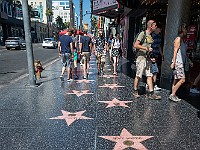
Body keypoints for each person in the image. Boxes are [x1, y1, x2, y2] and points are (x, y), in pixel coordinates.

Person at [133, 20, 161, 100]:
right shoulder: (143, 34)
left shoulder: (150, 35)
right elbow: (136, 45)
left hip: (148, 58)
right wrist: (146, 48)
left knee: (149, 75)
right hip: (141, 58)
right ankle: (135, 90)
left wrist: (151, 56)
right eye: (155, 25)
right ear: (150, 26)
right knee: (139, 75)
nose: (156, 27)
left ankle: (151, 93)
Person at [169, 23, 193, 102]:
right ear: (183, 30)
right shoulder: (178, 39)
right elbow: (175, 51)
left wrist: (189, 61)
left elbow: (183, 53)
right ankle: (172, 94)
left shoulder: (181, 39)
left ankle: (173, 94)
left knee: (176, 80)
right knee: (182, 79)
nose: (187, 31)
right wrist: (173, 62)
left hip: (180, 62)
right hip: (178, 63)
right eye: (186, 29)